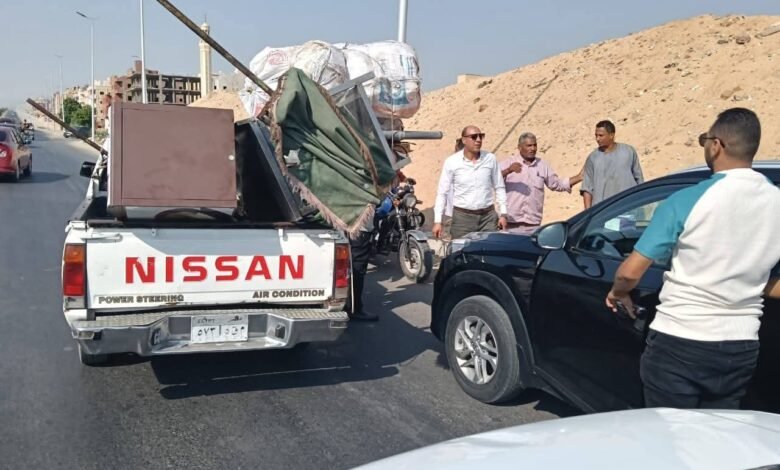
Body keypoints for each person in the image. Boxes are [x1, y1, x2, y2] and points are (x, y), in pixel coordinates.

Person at [605, 107, 780, 409]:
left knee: (670, 431)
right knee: (719, 431)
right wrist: (745, 282)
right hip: (741, 347)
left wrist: (617, 293)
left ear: (717, 145)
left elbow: (629, 272)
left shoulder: (686, 200)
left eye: (705, 140)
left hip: (680, 340)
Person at [432, 126, 508, 240]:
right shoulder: (452, 162)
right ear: (464, 140)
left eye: (481, 136)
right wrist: (437, 221)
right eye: (474, 137)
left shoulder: (490, 159)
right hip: (462, 219)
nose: (478, 140)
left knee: (489, 249)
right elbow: (442, 193)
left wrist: (503, 214)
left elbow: (499, 187)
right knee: (462, 250)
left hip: (488, 218)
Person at [500, 132, 583, 234]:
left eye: (535, 145)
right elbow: (491, 180)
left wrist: (579, 177)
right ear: (519, 147)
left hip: (532, 225)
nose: (533, 149)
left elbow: (557, 184)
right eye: (529, 146)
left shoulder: (543, 166)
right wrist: (508, 170)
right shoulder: (508, 163)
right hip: (510, 223)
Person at [581, 120, 644, 208]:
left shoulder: (628, 151)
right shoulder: (592, 158)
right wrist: (588, 212)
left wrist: (641, 203)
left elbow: (639, 179)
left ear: (611, 135)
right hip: (605, 210)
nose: (597, 139)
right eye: (596, 135)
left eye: (601, 135)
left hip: (629, 206)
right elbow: (587, 189)